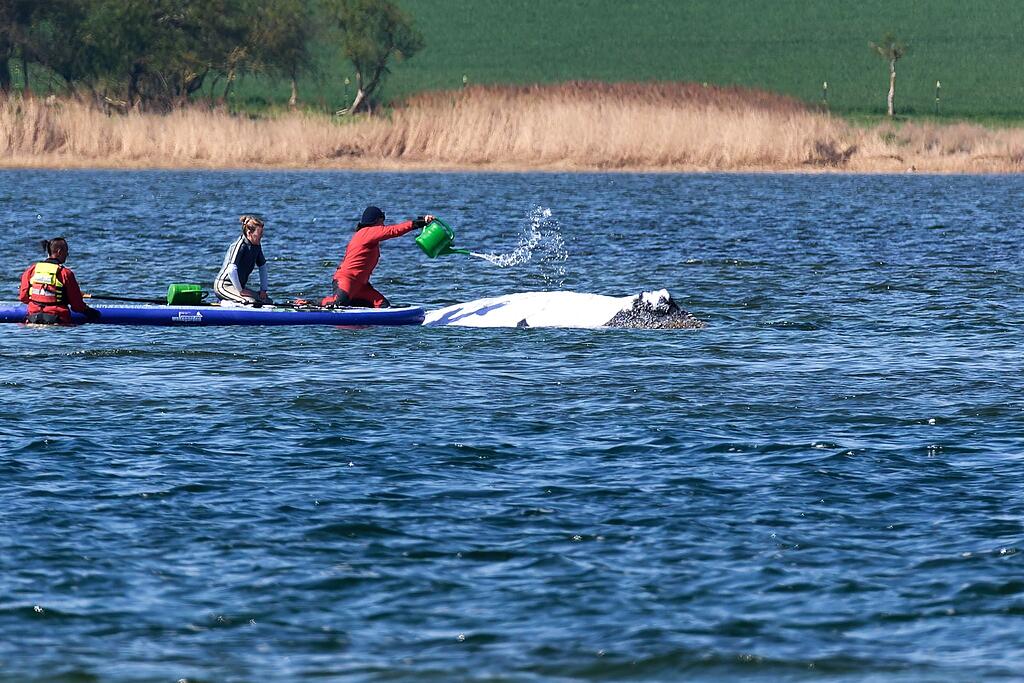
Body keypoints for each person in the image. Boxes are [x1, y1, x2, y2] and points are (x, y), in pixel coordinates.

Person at [321, 206, 434, 308]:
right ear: (376, 220)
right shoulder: (367, 232)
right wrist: (419, 223)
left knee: (383, 305)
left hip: (361, 286)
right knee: (338, 304)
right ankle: (312, 304)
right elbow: (394, 231)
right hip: (346, 280)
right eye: (382, 220)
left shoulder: (368, 235)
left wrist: (421, 220)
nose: (383, 224)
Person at [18, 237, 101, 324]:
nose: (67, 254)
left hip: (33, 319)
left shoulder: (31, 270)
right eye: (66, 252)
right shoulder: (65, 273)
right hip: (58, 321)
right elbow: (77, 306)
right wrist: (90, 312)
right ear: (59, 252)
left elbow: (23, 297)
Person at [214, 215, 272, 305]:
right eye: (259, 234)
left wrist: (263, 290)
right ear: (249, 233)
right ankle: (225, 304)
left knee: (267, 301)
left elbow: (262, 267)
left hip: (238, 287)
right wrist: (241, 290)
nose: (261, 236)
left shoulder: (256, 246)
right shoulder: (239, 246)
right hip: (224, 286)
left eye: (262, 233)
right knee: (249, 302)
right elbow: (231, 270)